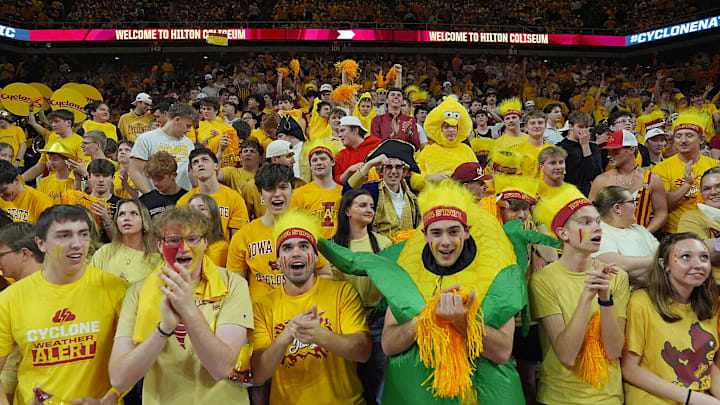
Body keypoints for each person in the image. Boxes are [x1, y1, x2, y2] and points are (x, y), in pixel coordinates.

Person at [320, 180, 527, 403]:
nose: (445, 242)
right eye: (436, 233)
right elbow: (389, 345)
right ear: (425, 235)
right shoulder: (409, 270)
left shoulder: (495, 270)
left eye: (453, 231)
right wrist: (427, 319)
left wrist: (461, 321)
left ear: (466, 233)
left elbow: (501, 352)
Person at [109, 206, 253, 404]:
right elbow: (119, 379)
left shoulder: (233, 284)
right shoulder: (137, 292)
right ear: (159, 245)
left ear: (206, 242)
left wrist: (188, 309)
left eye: (193, 239)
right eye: (174, 240)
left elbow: (222, 368)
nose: (183, 248)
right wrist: (164, 329)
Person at [0, 205, 128, 405]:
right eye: (64, 236)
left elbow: (135, 360)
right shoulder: (10, 299)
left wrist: (112, 397)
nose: (77, 244)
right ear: (41, 244)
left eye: (83, 234)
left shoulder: (117, 289)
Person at [249, 209, 371, 404]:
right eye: (287, 248)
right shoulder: (263, 307)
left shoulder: (342, 293)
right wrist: (287, 335)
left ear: (315, 257)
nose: (296, 253)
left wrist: (319, 335)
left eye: (304, 246)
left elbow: (363, 351)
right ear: (279, 261)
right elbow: (259, 375)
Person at [530, 183, 629, 404]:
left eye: (597, 221)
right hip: (559, 398)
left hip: (608, 398)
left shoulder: (616, 277)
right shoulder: (544, 280)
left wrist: (605, 300)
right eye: (585, 222)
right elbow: (566, 355)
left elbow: (613, 352)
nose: (597, 228)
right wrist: (587, 296)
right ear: (563, 233)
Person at [621, 233, 720, 404]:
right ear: (664, 265)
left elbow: (709, 364)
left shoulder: (712, 304)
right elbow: (630, 370)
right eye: (685, 257)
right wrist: (691, 398)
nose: (697, 264)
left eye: (704, 257)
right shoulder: (642, 302)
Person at [226, 163, 331, 300]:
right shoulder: (244, 235)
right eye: (270, 189)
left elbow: (325, 273)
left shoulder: (308, 231)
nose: (277, 194)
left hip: (301, 313)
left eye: (283, 187)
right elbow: (235, 282)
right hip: (260, 316)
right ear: (260, 194)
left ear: (292, 191)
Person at [330, 189, 393, 405]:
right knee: (351, 381)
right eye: (362, 205)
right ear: (347, 210)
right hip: (346, 322)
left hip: (379, 320)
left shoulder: (384, 243)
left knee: (379, 381)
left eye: (371, 206)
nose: (369, 210)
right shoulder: (333, 246)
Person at [653, 109, 720, 233]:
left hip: (713, 230)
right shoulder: (662, 168)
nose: (683, 140)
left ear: (701, 140)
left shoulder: (715, 165)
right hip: (677, 233)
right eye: (678, 136)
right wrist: (687, 184)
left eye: (689, 136)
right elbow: (663, 205)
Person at [589, 130, 668, 233]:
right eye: (608, 152)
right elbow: (590, 212)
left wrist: (644, 234)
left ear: (631, 149)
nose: (609, 155)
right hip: (610, 240)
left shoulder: (652, 179)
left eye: (615, 151)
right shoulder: (601, 180)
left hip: (640, 241)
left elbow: (661, 213)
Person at [346, 140, 420, 242]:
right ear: (381, 170)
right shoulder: (372, 190)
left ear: (404, 171)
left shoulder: (412, 191)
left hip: (406, 253)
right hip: (379, 252)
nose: (393, 171)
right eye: (389, 167)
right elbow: (347, 192)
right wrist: (369, 164)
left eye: (398, 167)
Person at [591, 186, 659, 285]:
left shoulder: (640, 229)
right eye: (632, 202)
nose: (636, 206)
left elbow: (666, 260)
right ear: (617, 208)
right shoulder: (598, 233)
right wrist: (657, 261)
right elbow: (620, 267)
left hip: (659, 289)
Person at [177, 148, 249, 239]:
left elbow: (238, 241)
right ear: (193, 172)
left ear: (216, 166)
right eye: (195, 162)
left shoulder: (234, 198)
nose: (200, 164)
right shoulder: (183, 201)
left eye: (205, 160)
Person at [129, 102, 197, 194]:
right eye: (188, 126)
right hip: (155, 202)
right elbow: (135, 171)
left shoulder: (189, 143)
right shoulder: (146, 139)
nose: (189, 130)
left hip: (182, 200)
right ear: (177, 120)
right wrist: (150, 196)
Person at [90, 198, 162, 283]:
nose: (126, 218)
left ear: (144, 220)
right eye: (121, 214)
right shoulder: (104, 252)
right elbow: (90, 286)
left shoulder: (157, 259)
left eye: (134, 213)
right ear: (116, 221)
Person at [291, 137, 342, 239]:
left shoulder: (343, 192)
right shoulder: (298, 194)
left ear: (332, 162)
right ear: (310, 166)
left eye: (323, 159)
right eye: (314, 160)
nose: (318, 163)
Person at [678, 167, 720, 286]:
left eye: (719, 186)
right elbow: (697, 253)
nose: (713, 192)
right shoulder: (691, 217)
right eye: (706, 189)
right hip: (713, 287)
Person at [417, 96, 477, 176]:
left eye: (454, 127)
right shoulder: (428, 151)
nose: (451, 130)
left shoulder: (466, 150)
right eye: (446, 127)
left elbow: (477, 174)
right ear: (440, 129)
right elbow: (415, 175)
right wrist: (429, 178)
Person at [23, 108, 86, 183]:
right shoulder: (52, 140)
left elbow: (83, 169)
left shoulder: (80, 142)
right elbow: (40, 167)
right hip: (51, 186)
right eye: (51, 122)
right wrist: (19, 179)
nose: (53, 125)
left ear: (68, 123)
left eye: (56, 121)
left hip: (70, 186)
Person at [558, 111, 603, 196]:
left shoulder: (593, 147)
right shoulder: (560, 147)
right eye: (580, 127)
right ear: (571, 127)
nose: (584, 130)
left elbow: (594, 175)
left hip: (587, 194)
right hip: (566, 193)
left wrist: (585, 145)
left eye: (586, 127)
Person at [218, 140, 264, 220]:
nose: (248, 153)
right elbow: (214, 174)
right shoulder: (231, 172)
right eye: (245, 151)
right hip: (237, 217)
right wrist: (220, 151)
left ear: (260, 157)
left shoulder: (266, 176)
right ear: (240, 156)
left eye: (252, 151)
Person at [370, 84, 421, 150]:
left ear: (402, 101)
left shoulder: (410, 120)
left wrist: (409, 134)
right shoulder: (377, 120)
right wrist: (391, 136)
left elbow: (417, 146)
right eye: (392, 95)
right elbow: (374, 146)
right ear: (386, 100)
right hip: (384, 158)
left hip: (404, 157)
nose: (396, 97)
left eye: (399, 95)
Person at [334, 116, 382, 185]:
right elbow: (337, 181)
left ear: (355, 130)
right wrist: (349, 171)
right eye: (338, 132)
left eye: (342, 131)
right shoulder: (340, 155)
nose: (339, 135)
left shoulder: (377, 146)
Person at [139, 151, 187, 217]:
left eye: (160, 178)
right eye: (153, 178)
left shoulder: (188, 199)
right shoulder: (144, 201)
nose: (155, 183)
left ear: (173, 175)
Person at [188, 194, 229, 267]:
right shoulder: (183, 244)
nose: (196, 212)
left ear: (213, 215)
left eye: (202, 209)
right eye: (191, 209)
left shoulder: (222, 248)